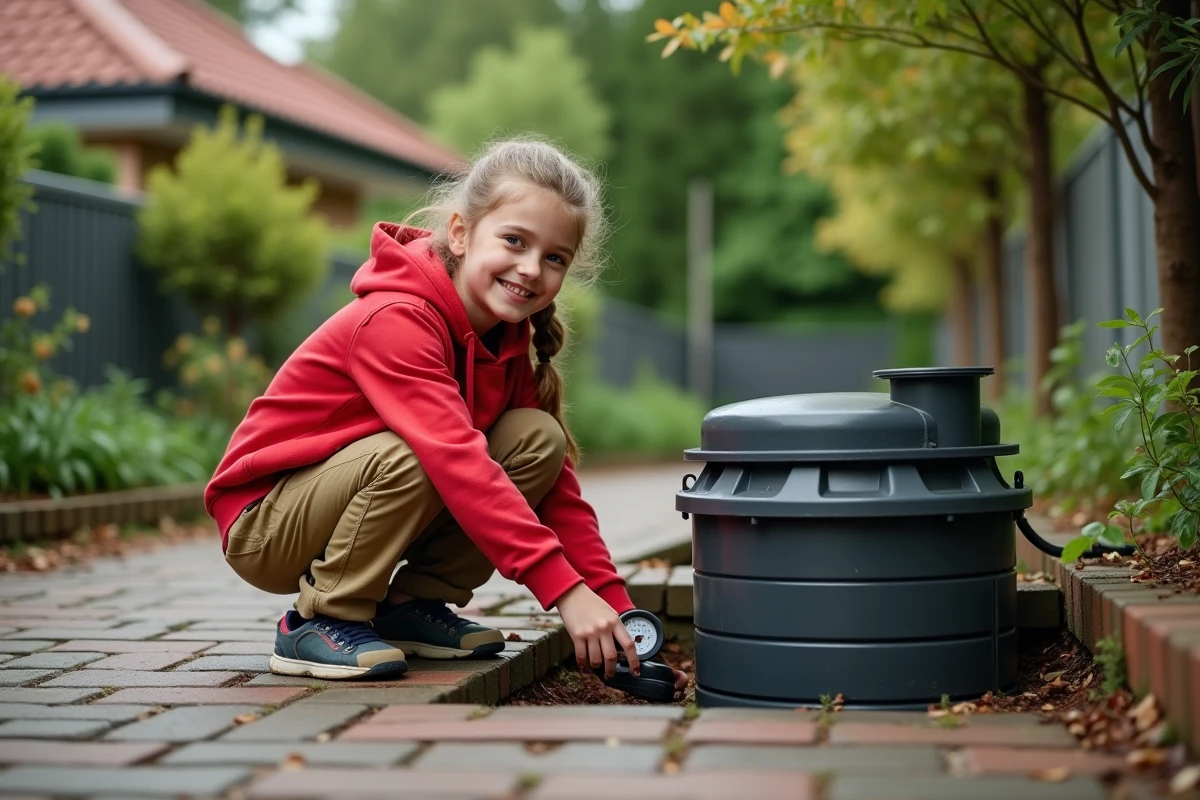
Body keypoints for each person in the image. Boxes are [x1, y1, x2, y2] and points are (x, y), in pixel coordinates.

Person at [204, 139, 687, 691]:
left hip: (353, 497)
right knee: (416, 448)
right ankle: (320, 617)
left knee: (539, 440)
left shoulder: (505, 340)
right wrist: (562, 591)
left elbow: (557, 492)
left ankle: (409, 606)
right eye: (514, 241)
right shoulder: (396, 319)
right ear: (460, 233)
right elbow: (456, 460)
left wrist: (613, 605)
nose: (532, 269)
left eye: (555, 257)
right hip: (266, 523)